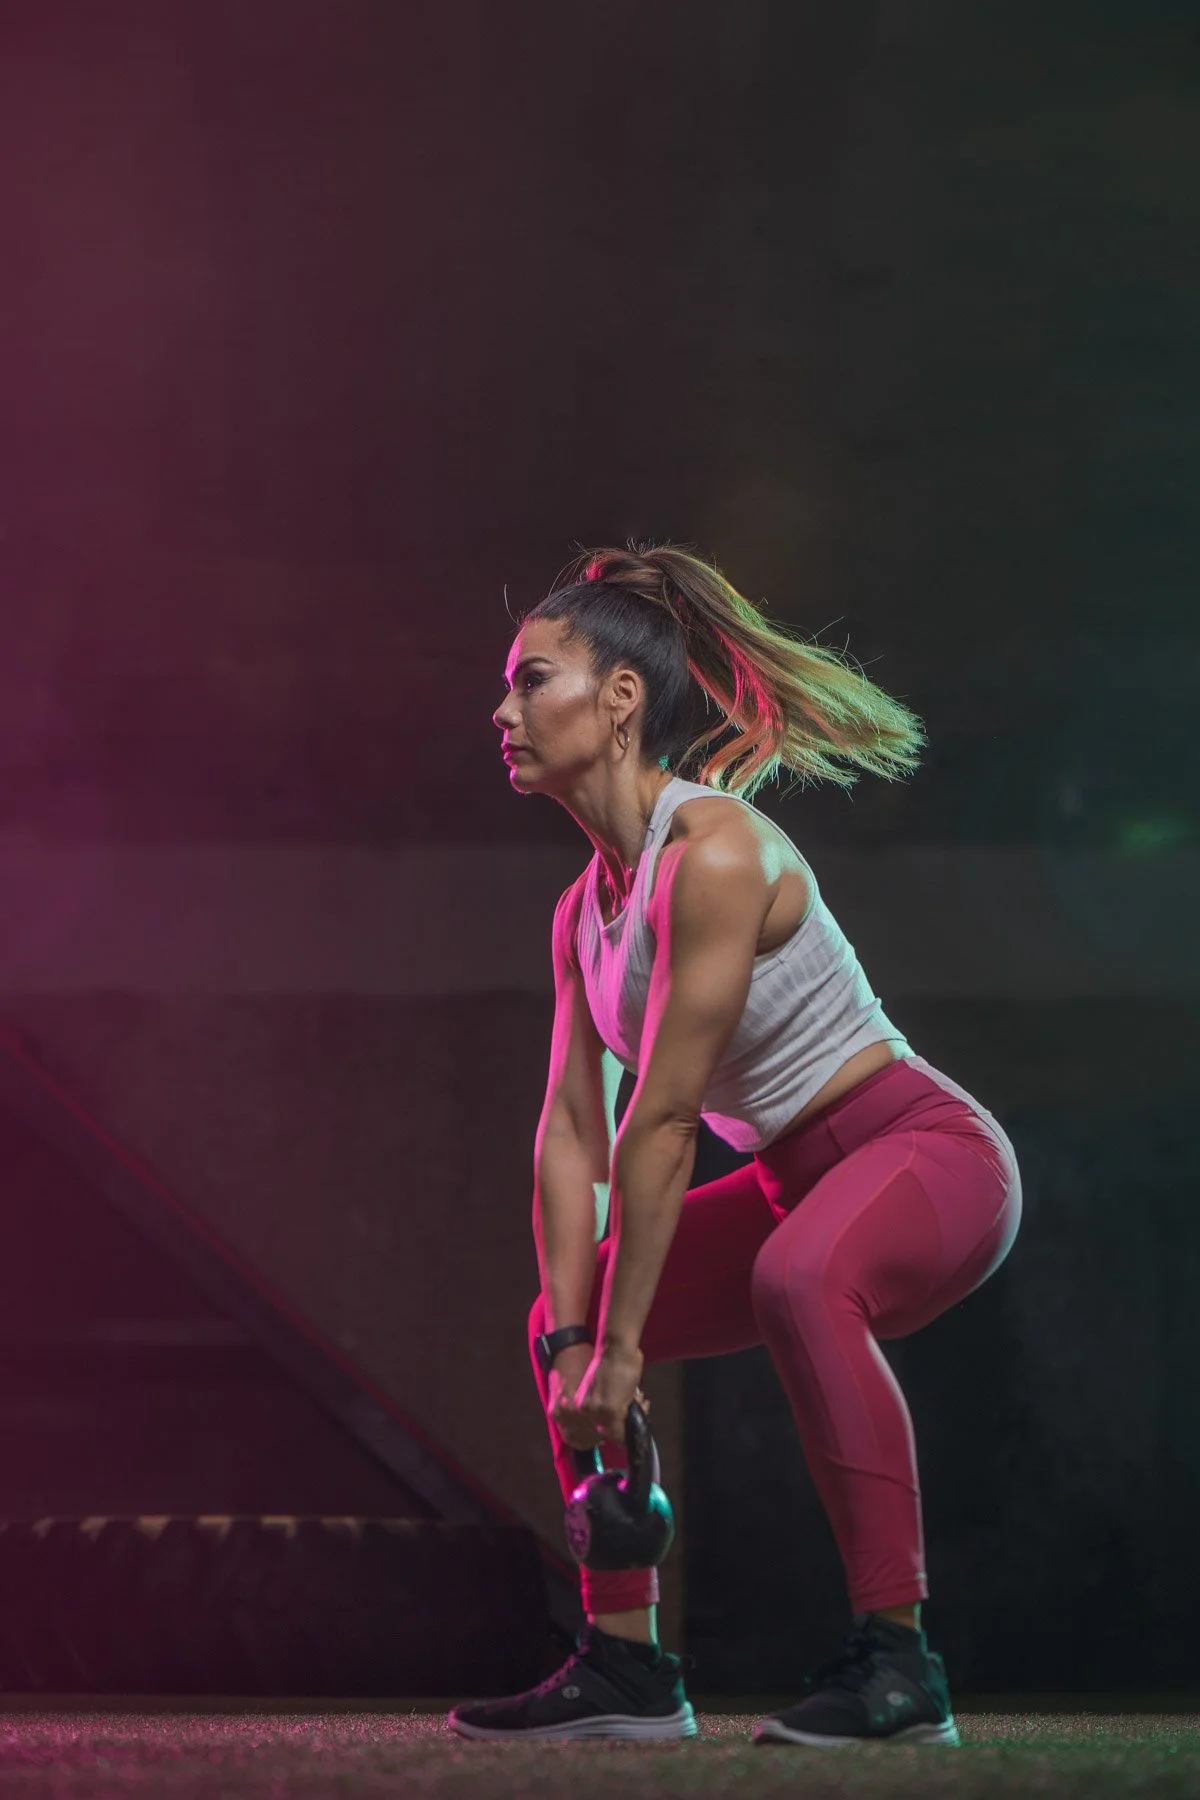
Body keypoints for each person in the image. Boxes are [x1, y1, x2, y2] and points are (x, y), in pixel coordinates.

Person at [448, 543, 1021, 1747]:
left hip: (927, 1155)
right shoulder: (582, 912)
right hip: (791, 1179)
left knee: (797, 1278)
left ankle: (903, 1663)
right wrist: (578, 1342)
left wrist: (621, 1359)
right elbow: (571, 1131)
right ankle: (627, 1668)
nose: (502, 710)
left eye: (530, 679)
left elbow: (660, 1119)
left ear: (617, 702)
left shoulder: (713, 852)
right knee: (570, 1310)